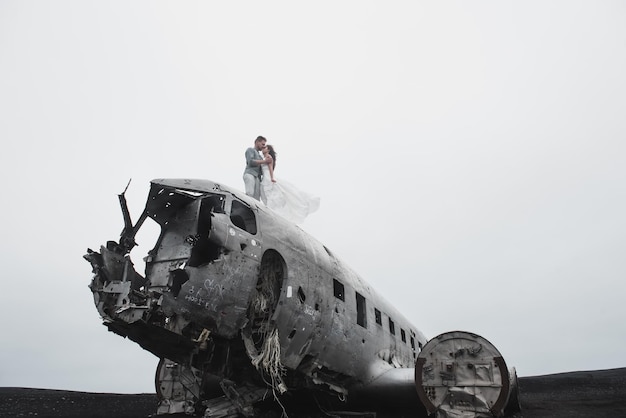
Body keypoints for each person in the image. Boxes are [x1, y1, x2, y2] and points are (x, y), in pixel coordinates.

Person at [259, 144, 320, 224]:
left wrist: (271, 178)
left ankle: (274, 211)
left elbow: (270, 168)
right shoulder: (265, 157)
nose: (263, 149)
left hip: (268, 176)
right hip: (266, 176)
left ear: (268, 150)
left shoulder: (268, 157)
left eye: (265, 148)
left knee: (271, 194)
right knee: (270, 194)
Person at [243, 136, 273, 200]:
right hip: (250, 174)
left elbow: (262, 171)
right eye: (262, 144)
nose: (263, 146)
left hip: (257, 178)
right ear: (257, 142)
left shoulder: (260, 157)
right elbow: (250, 162)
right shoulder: (250, 150)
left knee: (257, 199)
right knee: (250, 193)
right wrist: (264, 161)